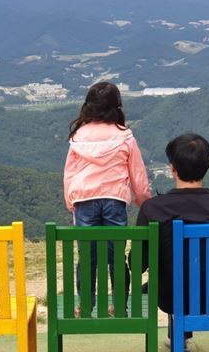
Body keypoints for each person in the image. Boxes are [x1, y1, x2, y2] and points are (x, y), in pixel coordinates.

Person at [134, 133, 209, 352]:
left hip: (169, 297)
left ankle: (178, 337)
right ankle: (181, 336)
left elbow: (138, 263)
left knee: (173, 276)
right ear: (207, 166)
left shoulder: (152, 209)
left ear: (173, 168)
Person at [63, 81, 151, 317]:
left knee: (87, 256)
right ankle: (119, 305)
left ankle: (86, 305)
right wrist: (144, 202)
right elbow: (138, 175)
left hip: (84, 199)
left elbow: (70, 174)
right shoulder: (125, 137)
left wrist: (71, 201)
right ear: (117, 107)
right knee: (115, 255)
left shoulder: (78, 137)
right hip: (114, 199)